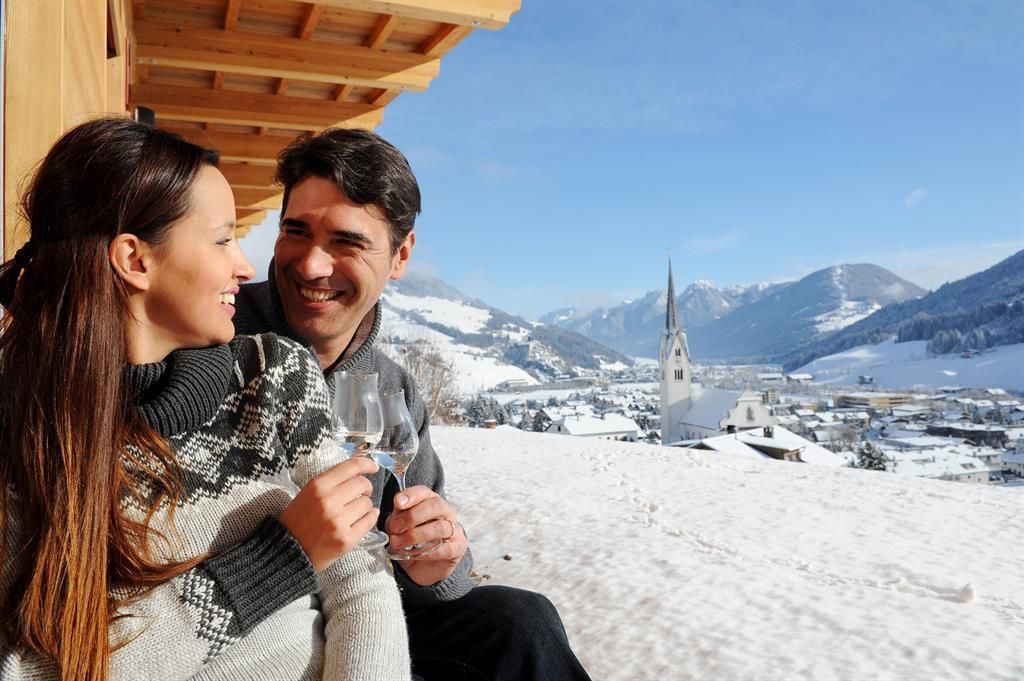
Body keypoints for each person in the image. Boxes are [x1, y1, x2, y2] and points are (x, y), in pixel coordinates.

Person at [0, 118, 410, 680]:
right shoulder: (26, 433)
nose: (245, 266)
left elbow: (361, 579)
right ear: (135, 260)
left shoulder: (275, 372)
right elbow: (28, 671)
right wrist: (274, 563)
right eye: (222, 240)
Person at [233, 128, 592, 681]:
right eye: (295, 232)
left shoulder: (391, 388)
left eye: (347, 242)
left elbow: (428, 556)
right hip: (254, 629)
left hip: (367, 615)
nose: (311, 266)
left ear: (400, 255)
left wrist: (437, 562)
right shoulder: (215, 342)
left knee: (521, 621)